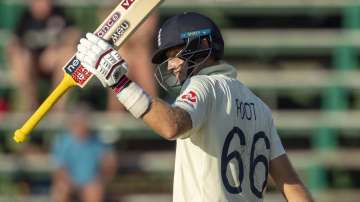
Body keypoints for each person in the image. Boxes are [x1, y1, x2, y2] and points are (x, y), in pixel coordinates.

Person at [75, 12, 313, 202]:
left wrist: (119, 82)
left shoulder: (203, 85)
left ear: (204, 44)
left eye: (175, 54)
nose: (171, 66)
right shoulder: (260, 107)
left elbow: (171, 125)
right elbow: (291, 183)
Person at [6, 0, 79, 111]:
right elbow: (13, 44)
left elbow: (74, 34)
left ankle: (57, 106)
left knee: (68, 54)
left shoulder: (58, 14)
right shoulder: (25, 18)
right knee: (20, 60)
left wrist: (56, 48)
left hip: (55, 65)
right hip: (32, 66)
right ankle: (32, 106)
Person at [51, 105, 117, 202]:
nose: (81, 125)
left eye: (83, 122)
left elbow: (109, 163)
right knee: (61, 189)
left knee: (95, 190)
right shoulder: (63, 142)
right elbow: (59, 169)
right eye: (78, 122)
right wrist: (68, 181)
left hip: (91, 182)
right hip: (70, 181)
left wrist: (101, 178)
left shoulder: (98, 141)